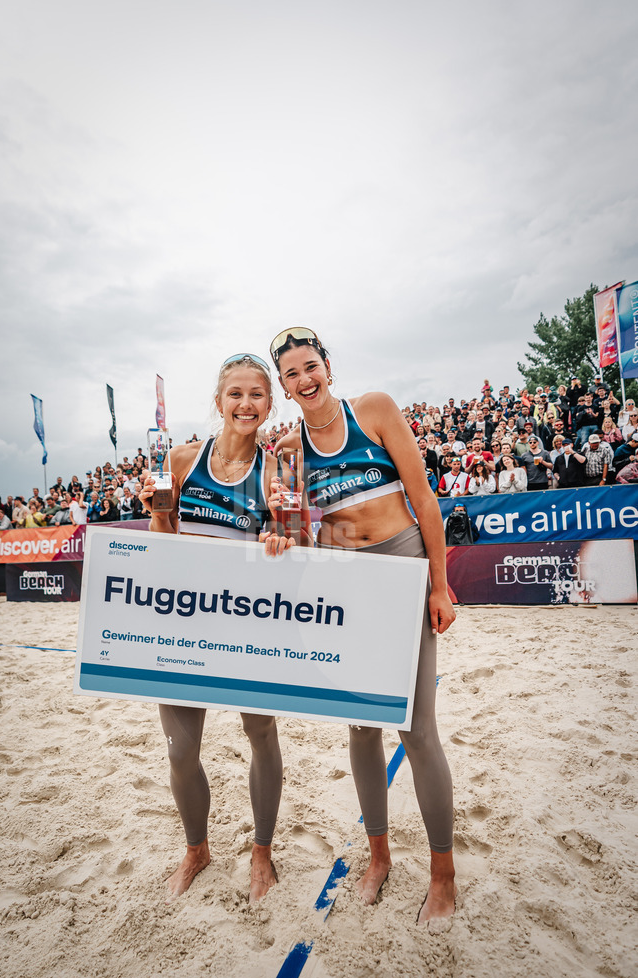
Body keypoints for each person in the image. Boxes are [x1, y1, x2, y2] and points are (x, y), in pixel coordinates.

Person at [267, 327, 456, 925]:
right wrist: (280, 530)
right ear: (284, 387)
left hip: (402, 567)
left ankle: (443, 874)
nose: (305, 379)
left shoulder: (372, 410)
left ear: (328, 366)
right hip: (347, 583)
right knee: (361, 729)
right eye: (292, 374)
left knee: (417, 731)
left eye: (310, 365)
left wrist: (440, 583)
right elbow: (302, 538)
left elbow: (425, 502)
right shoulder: (289, 449)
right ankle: (378, 856)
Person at [140, 353, 288, 905]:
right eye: (236, 394)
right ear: (219, 400)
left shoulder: (277, 471)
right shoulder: (180, 459)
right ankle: (197, 849)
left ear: (269, 405)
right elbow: (162, 539)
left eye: (256, 395)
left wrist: (281, 539)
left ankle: (262, 853)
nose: (246, 404)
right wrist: (157, 511)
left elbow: (293, 544)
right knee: (181, 750)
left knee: (261, 735)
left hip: (248, 624)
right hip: (185, 623)